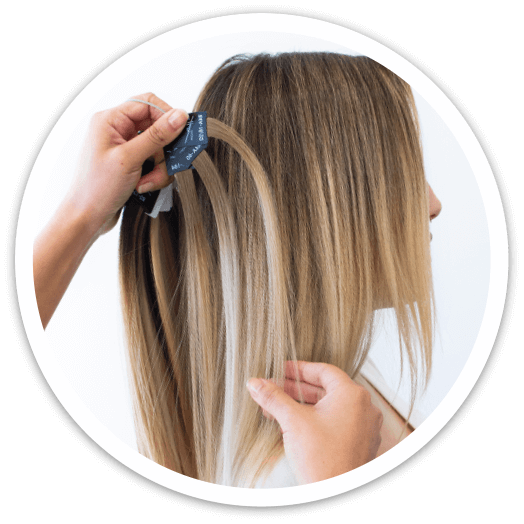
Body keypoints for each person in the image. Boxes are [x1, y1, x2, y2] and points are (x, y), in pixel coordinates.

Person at [34, 52, 442, 488]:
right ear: (316, 216)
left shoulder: (340, 397)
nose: (433, 204)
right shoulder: (293, 475)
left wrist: (82, 211)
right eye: (401, 174)